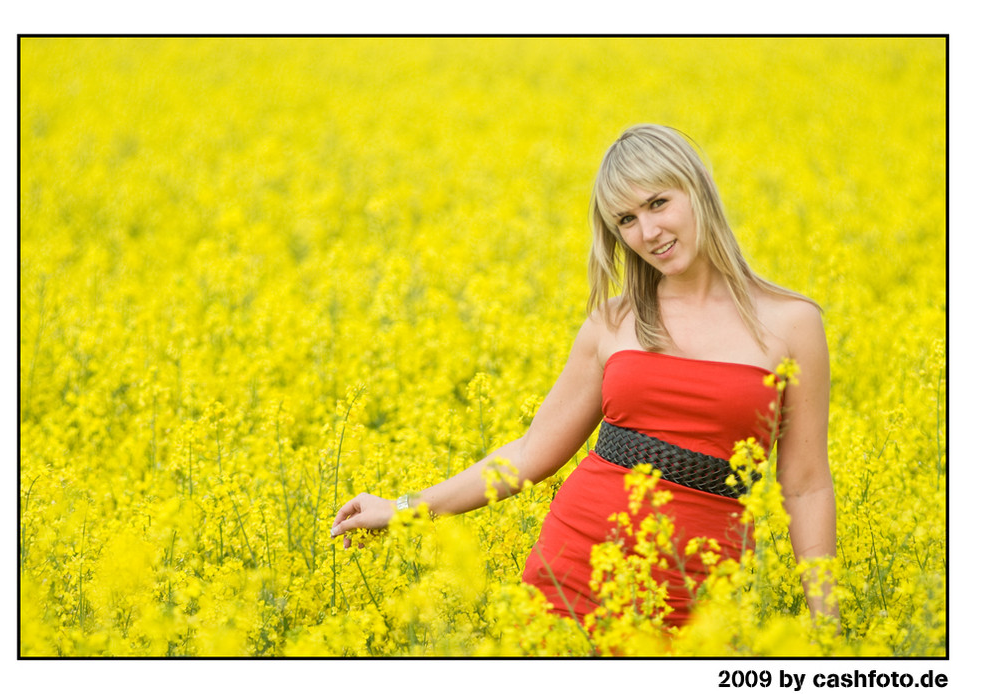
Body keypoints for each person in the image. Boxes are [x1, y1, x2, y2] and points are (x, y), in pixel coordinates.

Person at [330, 124, 837, 628]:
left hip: (699, 593)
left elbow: (806, 485)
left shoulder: (792, 323)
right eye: (627, 220)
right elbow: (530, 454)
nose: (649, 232)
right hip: (575, 569)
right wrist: (402, 508)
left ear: (697, 187)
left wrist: (825, 621)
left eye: (658, 203)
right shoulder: (613, 321)